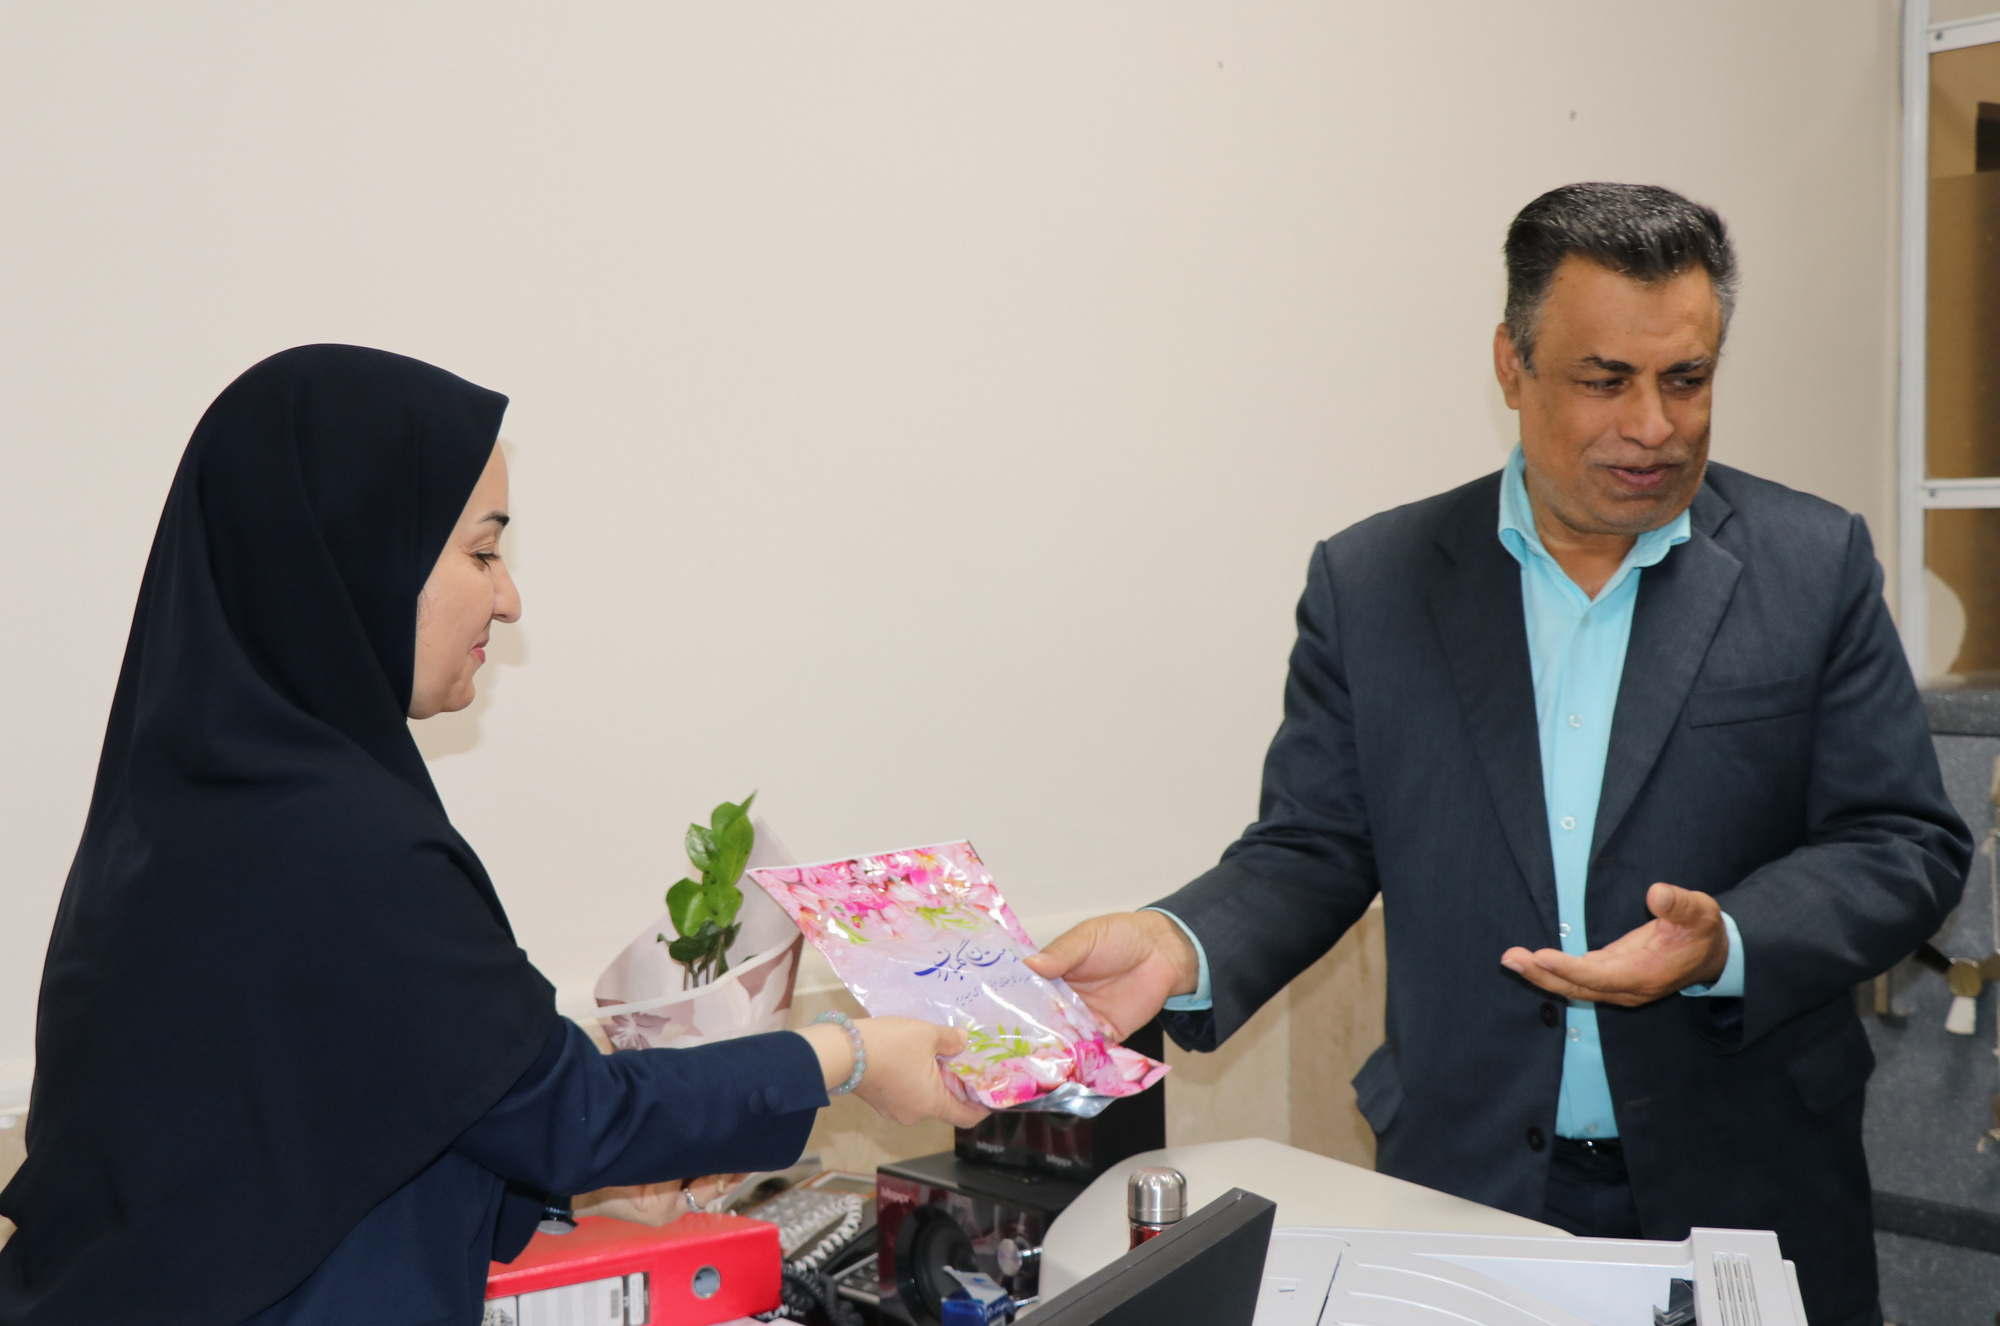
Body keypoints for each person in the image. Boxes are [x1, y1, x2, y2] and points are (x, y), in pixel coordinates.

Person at [1026, 183, 1970, 1326]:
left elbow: (1900, 842)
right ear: (1510, 366)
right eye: (1602, 380)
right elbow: (1313, 845)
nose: (1653, 425)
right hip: (1462, 1182)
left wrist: (1726, 939)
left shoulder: (1809, 563)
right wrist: (1176, 940)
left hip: (1747, 1176)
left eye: (1684, 378)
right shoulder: (1374, 583)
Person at [0, 345, 987, 1325]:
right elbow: (574, 1112)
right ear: (354, 556)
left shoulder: (187, 811)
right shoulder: (344, 844)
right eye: (480, 553)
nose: (508, 598)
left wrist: (575, 1194)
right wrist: (851, 1054)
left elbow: (326, 1137)